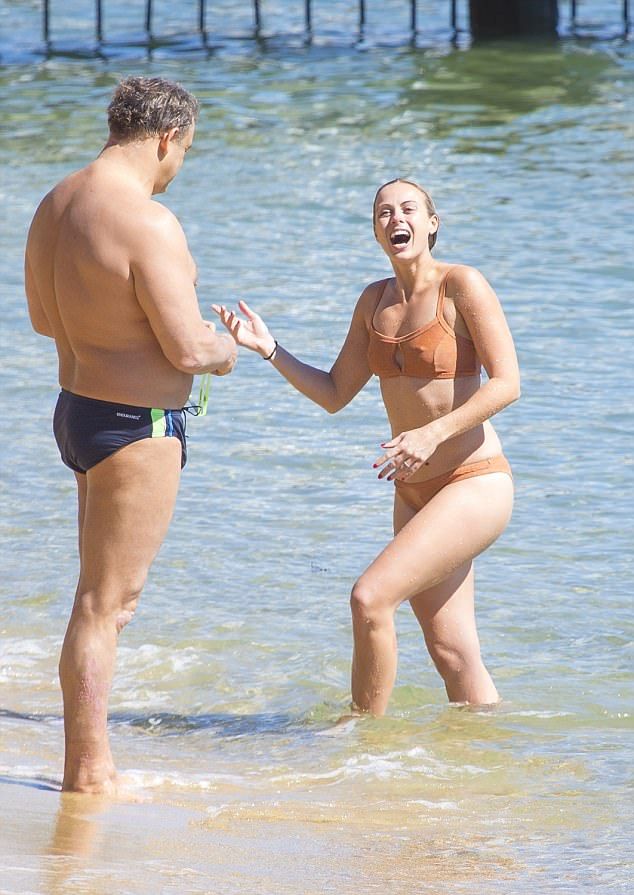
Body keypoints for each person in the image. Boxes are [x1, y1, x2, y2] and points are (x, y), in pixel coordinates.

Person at [213, 178, 520, 716]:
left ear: (431, 223)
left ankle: (359, 739)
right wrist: (270, 349)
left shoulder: (462, 285)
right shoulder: (374, 302)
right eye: (383, 213)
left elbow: (507, 383)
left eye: (408, 209)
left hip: (473, 482)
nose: (395, 218)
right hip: (414, 494)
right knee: (452, 652)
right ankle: (481, 754)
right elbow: (335, 393)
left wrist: (432, 433)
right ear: (376, 232)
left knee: (370, 598)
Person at [25, 76, 237, 793]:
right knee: (105, 607)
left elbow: (44, 320)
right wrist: (226, 348)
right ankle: (88, 770)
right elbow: (188, 349)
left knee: (96, 598)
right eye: (186, 153)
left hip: (77, 411)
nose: (179, 168)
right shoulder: (148, 222)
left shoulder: (55, 203)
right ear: (167, 138)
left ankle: (87, 762)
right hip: (134, 425)